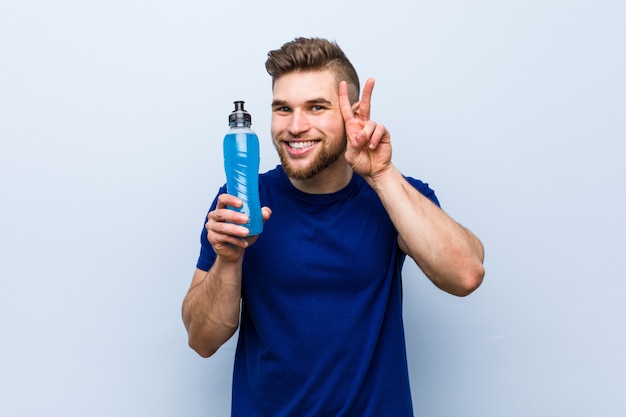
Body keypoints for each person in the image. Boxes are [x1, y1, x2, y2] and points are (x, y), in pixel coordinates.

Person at [182, 37, 485, 417]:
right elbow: (202, 340)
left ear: (351, 113)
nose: (295, 126)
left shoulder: (393, 195)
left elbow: (466, 274)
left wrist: (382, 173)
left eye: (316, 107)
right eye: (283, 108)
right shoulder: (240, 202)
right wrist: (229, 260)